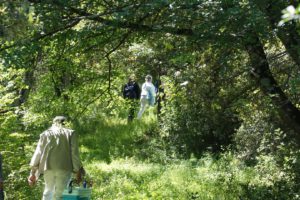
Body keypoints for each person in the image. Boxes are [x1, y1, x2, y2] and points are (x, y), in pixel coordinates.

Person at [28, 116, 84, 200]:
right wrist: (77, 170)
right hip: (64, 167)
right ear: (65, 123)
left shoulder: (45, 134)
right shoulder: (71, 133)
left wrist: (33, 172)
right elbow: (74, 153)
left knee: (48, 192)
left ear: (53, 123)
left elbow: (38, 153)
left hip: (48, 167)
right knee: (60, 194)